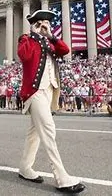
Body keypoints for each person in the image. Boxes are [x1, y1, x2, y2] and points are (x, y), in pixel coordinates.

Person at [17, 10, 85, 194]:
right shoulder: (26, 39)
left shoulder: (50, 42)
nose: (44, 25)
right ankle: (61, 177)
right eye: (40, 22)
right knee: (48, 129)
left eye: (46, 22)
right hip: (35, 90)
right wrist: (33, 34)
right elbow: (24, 56)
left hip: (49, 88)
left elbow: (65, 50)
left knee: (35, 133)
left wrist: (51, 36)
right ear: (33, 24)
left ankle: (25, 167)